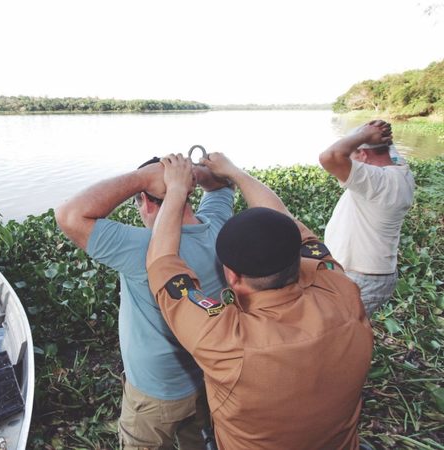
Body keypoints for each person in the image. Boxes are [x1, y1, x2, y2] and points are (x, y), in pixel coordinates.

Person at [146, 153, 373, 449]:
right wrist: (233, 172)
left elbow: (162, 263)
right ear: (295, 260)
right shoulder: (341, 290)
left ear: (231, 276)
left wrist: (176, 188)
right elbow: (287, 223)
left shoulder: (225, 341)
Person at [54, 156, 234, 449]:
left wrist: (148, 177)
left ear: (146, 202)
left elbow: (69, 215)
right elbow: (222, 185)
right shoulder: (218, 228)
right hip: (208, 379)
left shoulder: (141, 248)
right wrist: (190, 173)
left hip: (156, 393)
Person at [319, 120, 415, 315]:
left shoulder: (379, 181)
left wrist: (363, 135)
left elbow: (329, 157)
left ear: (362, 154)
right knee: (346, 330)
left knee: (340, 335)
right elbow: (387, 151)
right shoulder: (400, 170)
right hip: (370, 274)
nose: (349, 160)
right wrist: (378, 133)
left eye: (353, 155)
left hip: (361, 278)